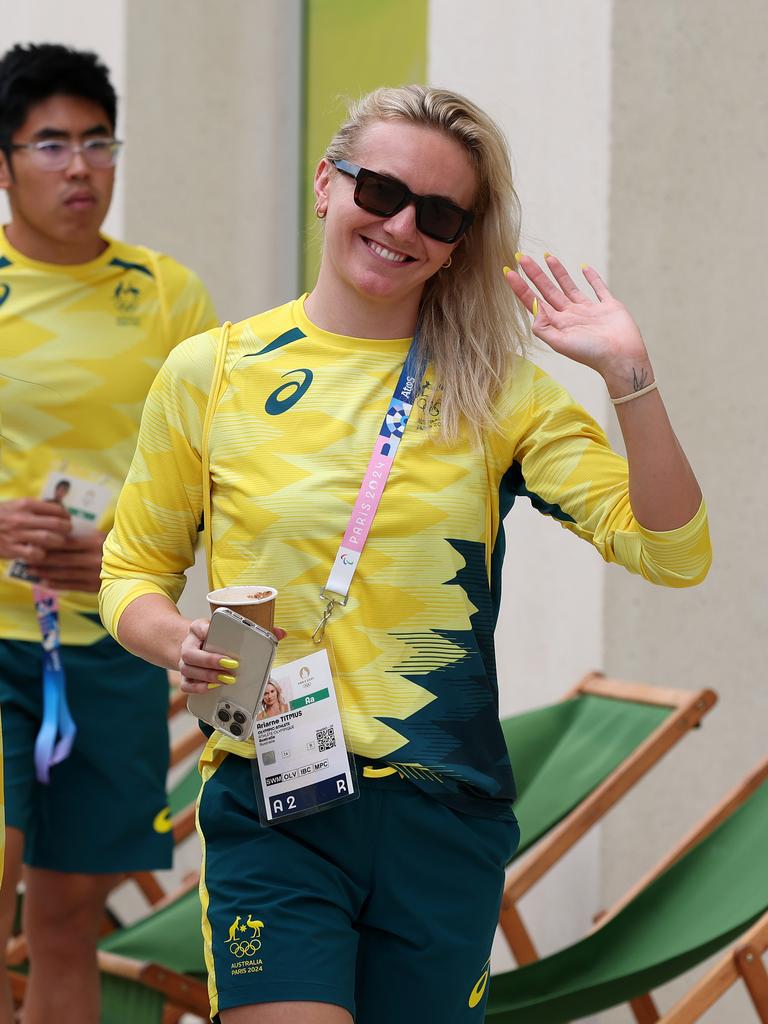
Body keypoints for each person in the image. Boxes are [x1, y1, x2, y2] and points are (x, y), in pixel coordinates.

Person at [99, 85, 711, 1024]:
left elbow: (672, 552)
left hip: (443, 810)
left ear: (460, 238)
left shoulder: (498, 392)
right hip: (274, 797)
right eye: (380, 190)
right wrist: (173, 639)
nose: (401, 226)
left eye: (438, 212)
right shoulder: (214, 370)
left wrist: (629, 376)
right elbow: (131, 572)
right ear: (326, 185)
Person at [0, 42, 217, 1024]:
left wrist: (136, 547)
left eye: (97, 140)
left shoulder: (171, 295)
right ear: (5, 161)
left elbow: (217, 475)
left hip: (109, 642)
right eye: (50, 143)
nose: (80, 166)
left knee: (66, 923)